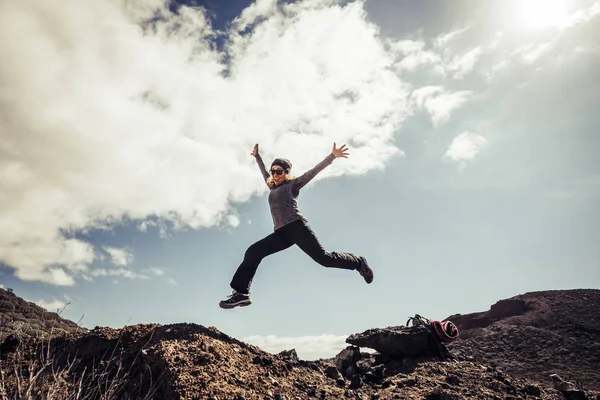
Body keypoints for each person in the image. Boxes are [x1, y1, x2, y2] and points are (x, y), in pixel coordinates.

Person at [219, 142, 373, 309]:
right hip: (281, 234)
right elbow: (264, 172)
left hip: (296, 226)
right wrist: (257, 157)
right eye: (273, 171)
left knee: (324, 259)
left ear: (286, 173)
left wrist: (332, 157)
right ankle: (241, 293)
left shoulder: (293, 185)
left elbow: (312, 172)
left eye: (279, 171)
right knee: (253, 251)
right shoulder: (271, 186)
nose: (275, 174)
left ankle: (358, 263)